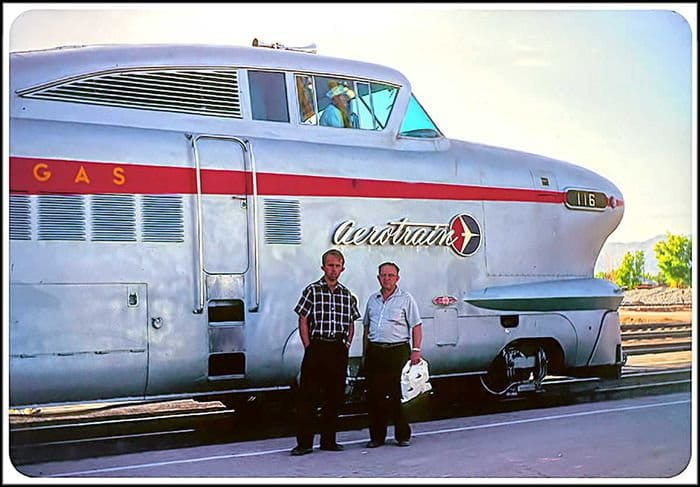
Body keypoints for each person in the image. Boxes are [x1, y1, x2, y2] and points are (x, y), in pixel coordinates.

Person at [290, 249, 361, 456]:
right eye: (330, 265)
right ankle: (304, 444)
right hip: (317, 347)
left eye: (337, 265)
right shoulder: (312, 290)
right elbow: (303, 318)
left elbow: (351, 322)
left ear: (342, 268)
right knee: (308, 397)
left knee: (334, 396)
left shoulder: (347, 294)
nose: (334, 269)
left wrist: (346, 344)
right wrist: (308, 346)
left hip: (337, 349)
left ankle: (329, 441)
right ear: (323, 267)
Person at [362, 262, 423, 448]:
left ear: (397, 278)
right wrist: (365, 353)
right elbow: (366, 327)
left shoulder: (406, 299)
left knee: (398, 394)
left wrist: (416, 350)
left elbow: (416, 325)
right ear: (378, 278)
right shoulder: (372, 300)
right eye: (383, 275)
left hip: (398, 351)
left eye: (390, 275)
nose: (386, 278)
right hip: (375, 351)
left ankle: (402, 435)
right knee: (375, 396)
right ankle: (377, 437)